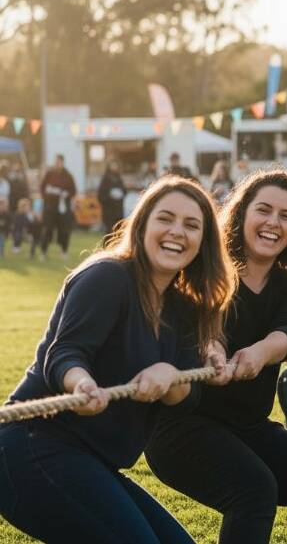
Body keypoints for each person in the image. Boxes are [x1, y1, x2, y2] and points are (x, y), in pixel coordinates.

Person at [0, 176, 237, 543]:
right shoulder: (109, 276)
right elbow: (64, 353)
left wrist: (169, 377)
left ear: (203, 241)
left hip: (96, 460)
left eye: (191, 225)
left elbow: (188, 397)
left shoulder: (184, 308)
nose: (177, 231)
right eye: (165, 218)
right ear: (142, 224)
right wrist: (81, 383)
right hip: (34, 445)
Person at [145, 170, 287, 544]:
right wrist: (213, 350)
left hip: (248, 427)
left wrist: (259, 353)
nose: (273, 223)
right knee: (255, 491)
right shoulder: (207, 270)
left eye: (286, 216)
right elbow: (205, 326)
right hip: (182, 425)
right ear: (242, 214)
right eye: (264, 210)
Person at [39, 154, 77, 260]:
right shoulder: (49, 174)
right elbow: (42, 188)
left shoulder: (68, 175)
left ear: (62, 162)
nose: (57, 164)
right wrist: (48, 194)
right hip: (50, 207)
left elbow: (73, 191)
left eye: (59, 162)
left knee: (64, 230)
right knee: (47, 229)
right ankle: (43, 252)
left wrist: (66, 194)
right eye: (56, 162)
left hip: (63, 207)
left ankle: (64, 251)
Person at [98, 160, 126, 235]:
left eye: (115, 165)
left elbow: (124, 190)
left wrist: (120, 194)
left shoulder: (119, 178)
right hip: (109, 209)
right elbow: (101, 194)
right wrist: (109, 195)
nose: (114, 167)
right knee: (109, 230)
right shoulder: (105, 179)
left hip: (118, 209)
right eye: (113, 165)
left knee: (118, 229)